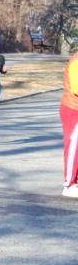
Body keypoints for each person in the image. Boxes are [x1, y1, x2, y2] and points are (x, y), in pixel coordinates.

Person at [60, 50, 78, 197]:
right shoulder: (77, 61)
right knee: (74, 145)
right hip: (74, 108)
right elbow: (76, 87)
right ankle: (69, 184)